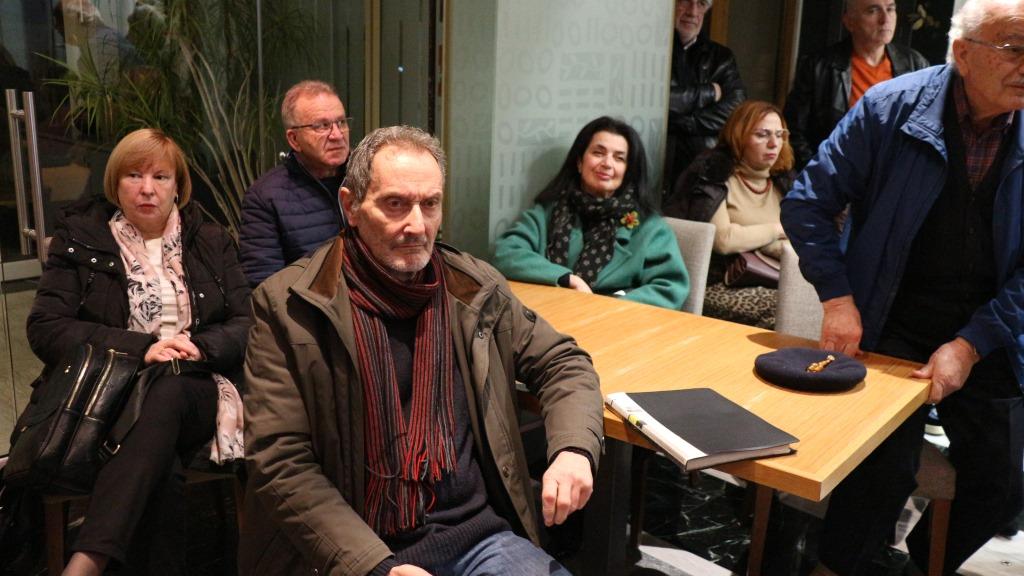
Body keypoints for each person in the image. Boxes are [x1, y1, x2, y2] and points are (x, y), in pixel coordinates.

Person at [240, 126, 604, 576]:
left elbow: (563, 362)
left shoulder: (472, 288)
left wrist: (573, 449)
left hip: (477, 537)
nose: (417, 225)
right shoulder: (289, 305)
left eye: (430, 204)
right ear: (351, 207)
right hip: (355, 550)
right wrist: (376, 566)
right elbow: (280, 460)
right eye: (395, 204)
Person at [780, 1, 1024, 573]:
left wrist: (970, 345)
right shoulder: (890, 108)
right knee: (880, 474)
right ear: (963, 53)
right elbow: (807, 203)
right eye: (1014, 49)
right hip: (893, 317)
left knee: (1004, 484)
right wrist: (838, 298)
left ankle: (913, 567)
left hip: (989, 328)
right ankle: (841, 565)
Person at [23, 128, 251, 575]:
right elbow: (46, 328)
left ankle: (87, 560)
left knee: (169, 389)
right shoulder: (81, 237)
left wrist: (197, 348)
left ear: (177, 186)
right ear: (115, 183)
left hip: (198, 386)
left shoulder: (210, 239)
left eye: (160, 177)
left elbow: (247, 323)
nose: (147, 189)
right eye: (134, 175)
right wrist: (142, 348)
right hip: (109, 393)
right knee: (159, 462)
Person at [492, 117, 690, 310]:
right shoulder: (548, 211)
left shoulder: (650, 227)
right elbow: (506, 253)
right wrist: (567, 279)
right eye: (598, 153)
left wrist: (608, 307)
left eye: (619, 158)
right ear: (579, 162)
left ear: (627, 171)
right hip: (547, 314)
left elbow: (670, 287)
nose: (607, 163)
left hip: (615, 322)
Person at [663, 100, 795, 328]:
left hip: (781, 280)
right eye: (762, 134)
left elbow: (804, 239)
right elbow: (723, 240)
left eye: (779, 134)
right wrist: (778, 230)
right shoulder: (714, 177)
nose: (774, 144)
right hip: (721, 283)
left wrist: (752, 237)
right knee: (786, 311)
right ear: (739, 136)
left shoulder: (785, 184)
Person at [784, 0, 930, 169]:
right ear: (849, 22)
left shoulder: (916, 65)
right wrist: (819, 174)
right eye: (873, 11)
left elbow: (929, 128)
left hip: (894, 175)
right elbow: (793, 130)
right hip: (837, 174)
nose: (885, 19)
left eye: (890, 9)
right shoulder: (819, 67)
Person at [239, 80, 351, 287]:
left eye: (341, 122)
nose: (337, 135)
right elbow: (264, 286)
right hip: (307, 304)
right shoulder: (265, 197)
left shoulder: (367, 178)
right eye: (322, 126)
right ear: (294, 139)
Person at [664, 0, 746, 192]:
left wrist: (684, 122)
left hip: (704, 170)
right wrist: (708, 92)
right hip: (655, 160)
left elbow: (736, 111)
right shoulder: (651, 50)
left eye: (701, 3)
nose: (693, 12)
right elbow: (656, 100)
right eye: (686, 1)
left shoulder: (721, 57)